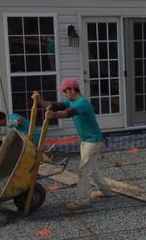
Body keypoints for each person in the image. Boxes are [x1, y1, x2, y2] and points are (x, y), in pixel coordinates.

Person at [31, 78, 113, 210]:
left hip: (93, 141)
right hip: (87, 141)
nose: (64, 93)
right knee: (92, 169)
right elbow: (54, 105)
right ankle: (107, 192)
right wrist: (39, 100)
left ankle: (82, 201)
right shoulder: (71, 101)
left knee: (83, 171)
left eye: (65, 91)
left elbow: (68, 113)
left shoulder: (82, 103)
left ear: (73, 90)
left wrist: (54, 115)